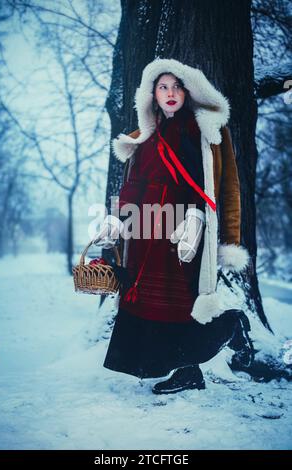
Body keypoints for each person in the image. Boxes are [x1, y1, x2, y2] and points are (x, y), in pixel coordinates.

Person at [92, 58, 254, 394]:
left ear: (187, 91)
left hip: (188, 227)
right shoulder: (144, 135)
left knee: (184, 303)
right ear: (152, 93)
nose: (170, 93)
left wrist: (229, 238)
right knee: (150, 302)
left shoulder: (207, 130)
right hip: (147, 230)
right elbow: (133, 184)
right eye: (162, 87)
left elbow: (228, 188)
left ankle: (230, 324)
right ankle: (186, 372)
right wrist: (116, 217)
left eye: (176, 87)